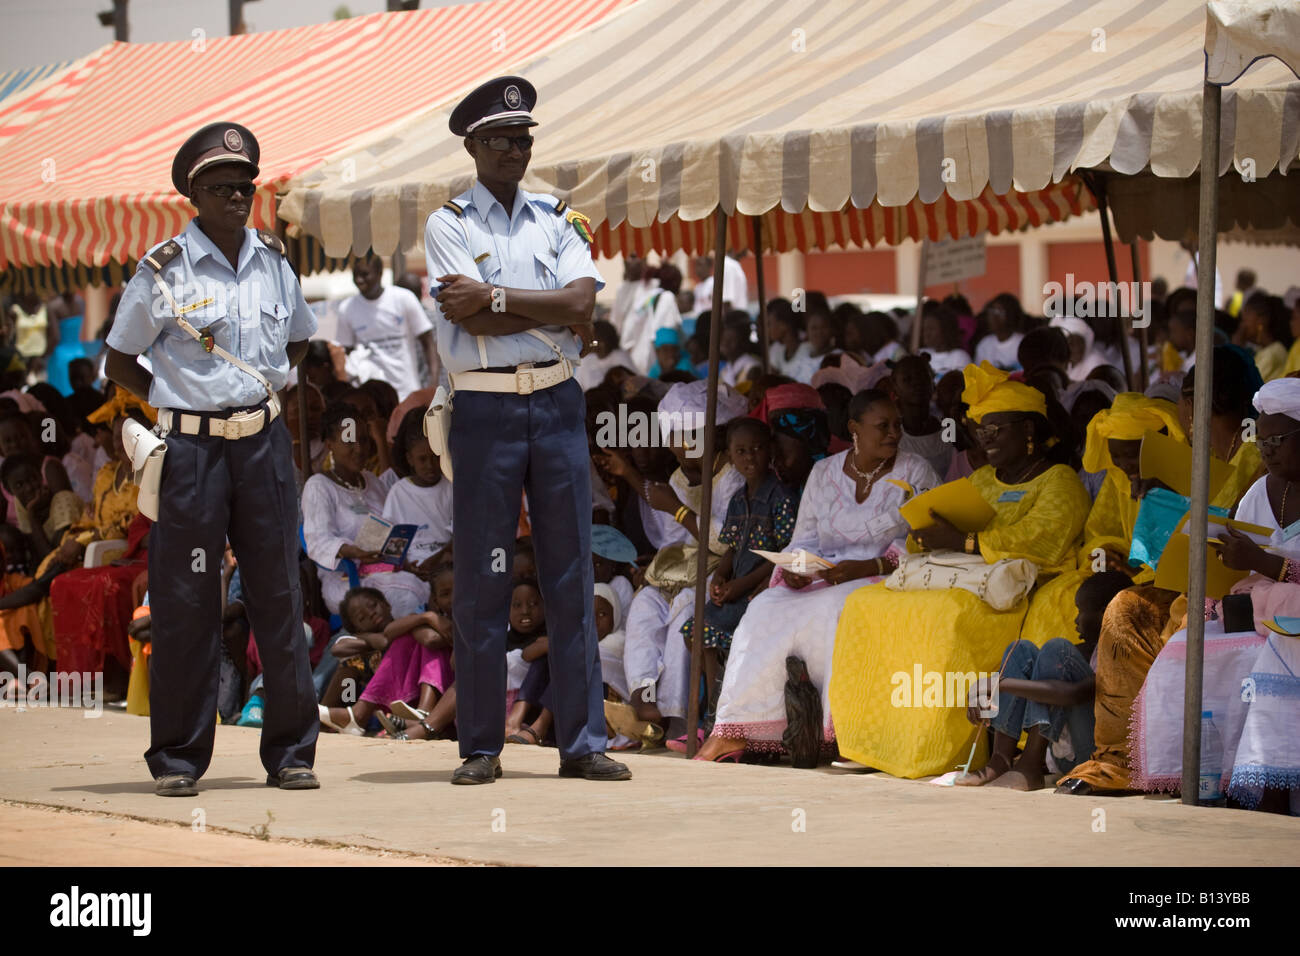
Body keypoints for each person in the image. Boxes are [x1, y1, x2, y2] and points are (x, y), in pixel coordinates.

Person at [104, 122, 321, 796]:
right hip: (192, 452)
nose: (237, 196)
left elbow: (301, 342)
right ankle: (176, 758)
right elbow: (118, 359)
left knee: (279, 598)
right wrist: (174, 401)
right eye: (222, 187)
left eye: (245, 186)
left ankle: (290, 754)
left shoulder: (275, 261)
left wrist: (270, 393)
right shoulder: (162, 269)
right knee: (186, 602)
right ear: (193, 193)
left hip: (261, 447)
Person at [423, 76, 628, 783]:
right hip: (484, 406)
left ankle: (583, 743)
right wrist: (545, 312)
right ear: (475, 146)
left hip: (558, 399)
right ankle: (481, 745)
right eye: (505, 139)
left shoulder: (555, 214)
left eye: (525, 138)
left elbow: (582, 301)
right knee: (484, 576)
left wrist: (502, 297)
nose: (518, 149)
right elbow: (467, 316)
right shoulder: (450, 222)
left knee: (571, 572)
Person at [829, 362, 1090, 778]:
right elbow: (949, 530)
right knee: (863, 603)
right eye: (979, 431)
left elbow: (1043, 541)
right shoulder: (984, 479)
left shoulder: (1061, 481)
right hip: (964, 576)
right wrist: (926, 532)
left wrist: (964, 542)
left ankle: (941, 745)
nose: (983, 440)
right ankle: (874, 737)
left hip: (1019, 585)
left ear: (1028, 432)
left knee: (948, 617)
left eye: (995, 430)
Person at [696, 389, 939, 761]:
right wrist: (796, 567)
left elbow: (923, 538)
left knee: (835, 610)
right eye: (883, 426)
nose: (894, 433)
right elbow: (804, 536)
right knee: (763, 608)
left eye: (897, 425)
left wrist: (869, 566)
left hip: (885, 576)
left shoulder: (916, 471)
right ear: (854, 428)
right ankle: (735, 728)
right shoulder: (825, 472)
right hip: (822, 576)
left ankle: (840, 734)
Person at [957, 570, 1131, 789]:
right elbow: (1037, 678)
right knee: (1020, 650)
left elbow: (1073, 694)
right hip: (1064, 756)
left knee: (1056, 649)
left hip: (1094, 758)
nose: (1076, 620)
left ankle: (1030, 765)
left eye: (1081, 611)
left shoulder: (1123, 654)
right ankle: (1000, 760)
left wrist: (1000, 685)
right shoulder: (1087, 652)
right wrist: (983, 689)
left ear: (1106, 613)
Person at [681, 417, 797, 712]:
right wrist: (719, 577)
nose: (750, 457)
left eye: (757, 449)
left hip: (764, 587)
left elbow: (785, 553)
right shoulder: (738, 499)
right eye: (741, 451)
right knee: (697, 630)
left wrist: (739, 586)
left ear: (769, 450)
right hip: (737, 586)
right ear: (730, 456)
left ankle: (721, 709)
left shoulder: (780, 497)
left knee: (711, 629)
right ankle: (711, 707)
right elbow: (732, 547)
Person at [973, 294, 1025, 371]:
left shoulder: (1022, 343)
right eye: (991, 311)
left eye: (999, 311)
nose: (993, 316)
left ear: (1011, 314)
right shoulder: (984, 344)